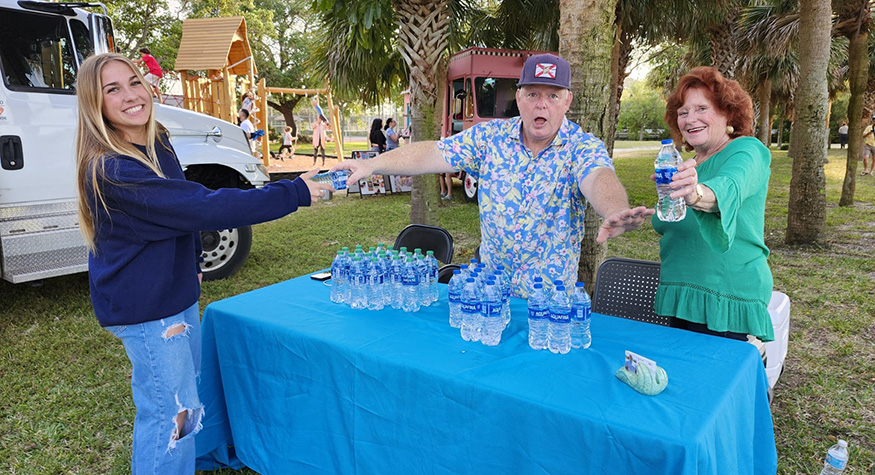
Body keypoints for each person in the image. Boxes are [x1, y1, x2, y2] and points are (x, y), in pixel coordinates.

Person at [74, 53, 331, 474]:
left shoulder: (154, 138)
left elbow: (181, 204)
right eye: (112, 89)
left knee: (184, 404)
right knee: (170, 415)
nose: (131, 95)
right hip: (148, 308)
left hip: (175, 294)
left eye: (134, 82)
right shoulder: (112, 168)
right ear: (94, 104)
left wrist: (192, 259)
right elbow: (200, 206)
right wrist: (293, 192)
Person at [332, 53, 652, 297]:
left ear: (566, 101)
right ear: (519, 96)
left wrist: (615, 210)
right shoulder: (490, 138)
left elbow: (599, 178)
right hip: (488, 297)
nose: (542, 105)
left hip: (547, 306)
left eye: (553, 95)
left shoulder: (581, 147)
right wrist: (373, 165)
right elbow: (432, 152)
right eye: (533, 94)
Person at [655, 66, 774, 343]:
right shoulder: (689, 165)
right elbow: (680, 218)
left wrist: (694, 194)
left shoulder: (748, 151)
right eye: (683, 112)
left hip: (724, 297)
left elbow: (728, 188)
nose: (689, 119)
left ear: (727, 113)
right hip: (682, 294)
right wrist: (639, 216)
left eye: (701, 109)